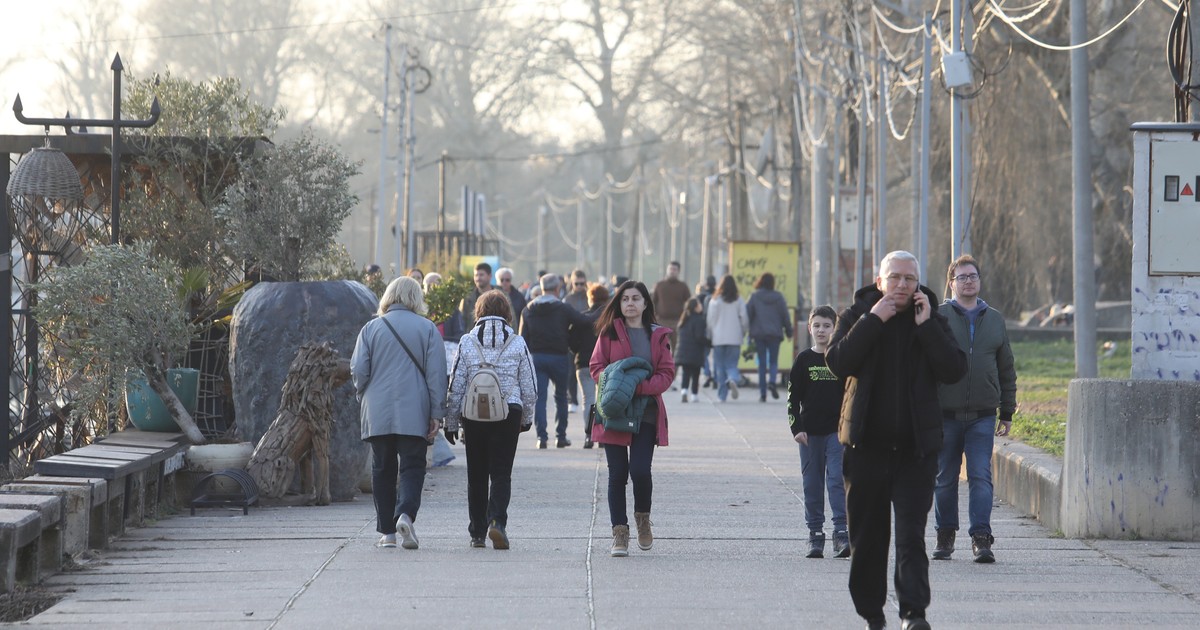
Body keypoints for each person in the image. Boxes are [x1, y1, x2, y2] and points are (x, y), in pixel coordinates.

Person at [825, 250, 967, 630]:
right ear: (880, 281)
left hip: (915, 453)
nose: (903, 285)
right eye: (896, 278)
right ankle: (872, 613)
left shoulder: (930, 318)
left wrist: (926, 328)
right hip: (865, 448)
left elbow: (954, 369)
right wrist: (874, 320)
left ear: (918, 282)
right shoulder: (857, 316)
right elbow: (838, 362)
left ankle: (913, 613)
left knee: (910, 537)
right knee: (868, 540)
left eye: (910, 278)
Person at [350, 276, 448, 550]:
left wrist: (364, 394)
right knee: (412, 466)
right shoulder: (428, 329)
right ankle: (405, 513)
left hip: (377, 410)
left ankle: (387, 533)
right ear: (416, 298)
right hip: (414, 410)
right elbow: (437, 375)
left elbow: (358, 370)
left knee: (381, 468)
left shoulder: (370, 329)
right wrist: (437, 412)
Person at [933, 255, 1017, 564]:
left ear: (979, 281)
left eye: (973, 276)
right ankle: (945, 534)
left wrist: (1006, 411)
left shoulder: (993, 318)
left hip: (983, 414)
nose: (968, 281)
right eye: (962, 277)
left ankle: (981, 538)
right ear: (951, 283)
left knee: (981, 476)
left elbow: (1006, 366)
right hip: (945, 415)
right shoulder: (937, 316)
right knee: (945, 478)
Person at [444, 290, 538, 550]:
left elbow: (457, 383)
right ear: (508, 313)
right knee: (501, 472)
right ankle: (497, 520)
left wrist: (451, 422)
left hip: (474, 413)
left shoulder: (466, 341)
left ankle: (477, 532)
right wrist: (526, 419)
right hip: (508, 411)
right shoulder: (517, 342)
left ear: (479, 312)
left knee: (476, 474)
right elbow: (529, 386)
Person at [590, 280, 675, 557]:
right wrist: (615, 385)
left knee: (640, 470)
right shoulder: (608, 333)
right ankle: (619, 532)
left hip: (647, 411)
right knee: (617, 474)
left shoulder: (658, 336)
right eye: (625, 299)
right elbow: (596, 367)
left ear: (645, 303)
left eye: (635, 298)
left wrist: (638, 387)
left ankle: (642, 518)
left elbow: (666, 373)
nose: (630, 303)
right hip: (614, 412)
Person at [788, 305, 847, 559]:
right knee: (812, 484)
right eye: (817, 325)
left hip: (837, 433)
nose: (821, 330)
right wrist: (796, 428)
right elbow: (792, 399)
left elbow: (851, 396)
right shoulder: (803, 360)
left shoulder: (841, 358)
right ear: (809, 328)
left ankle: (841, 532)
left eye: (827, 326)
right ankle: (815, 534)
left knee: (836, 480)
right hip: (810, 435)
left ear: (835, 328)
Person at [519, 273, 592, 448]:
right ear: (558, 288)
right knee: (561, 397)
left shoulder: (528, 309)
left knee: (540, 399)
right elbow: (583, 321)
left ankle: (541, 438)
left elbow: (522, 338)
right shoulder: (563, 308)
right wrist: (598, 311)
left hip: (537, 358)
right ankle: (560, 436)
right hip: (559, 357)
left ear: (542, 288)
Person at [568, 282, 609, 448]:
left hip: (584, 363)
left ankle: (589, 435)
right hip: (607, 364)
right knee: (604, 399)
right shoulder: (610, 319)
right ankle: (603, 435)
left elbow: (571, 341)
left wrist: (578, 351)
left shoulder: (581, 317)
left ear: (590, 298)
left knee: (588, 399)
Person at [746, 272, 794, 402]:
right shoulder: (778, 297)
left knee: (761, 364)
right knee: (773, 361)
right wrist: (789, 332)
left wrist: (748, 332)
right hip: (774, 334)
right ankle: (772, 382)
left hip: (759, 334)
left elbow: (747, 314)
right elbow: (785, 316)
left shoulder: (754, 296)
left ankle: (763, 394)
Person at [706, 275, 748, 402]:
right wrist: (743, 332)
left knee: (719, 367)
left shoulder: (715, 300)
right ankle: (732, 379)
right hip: (735, 338)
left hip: (718, 338)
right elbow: (744, 319)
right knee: (731, 364)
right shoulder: (738, 299)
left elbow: (710, 320)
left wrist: (710, 334)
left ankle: (722, 395)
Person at [563, 269, 590, 412]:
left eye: (582, 283)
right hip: (573, 337)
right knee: (571, 371)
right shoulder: (567, 299)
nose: (579, 286)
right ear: (571, 283)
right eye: (576, 283)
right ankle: (572, 399)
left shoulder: (589, 297)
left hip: (587, 337)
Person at [674, 296, 709, 403]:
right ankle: (694, 395)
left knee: (686, 373)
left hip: (683, 352)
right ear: (695, 307)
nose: (701, 305)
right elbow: (699, 337)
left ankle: (684, 392)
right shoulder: (699, 320)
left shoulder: (683, 320)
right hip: (695, 352)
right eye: (699, 304)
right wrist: (709, 343)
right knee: (695, 374)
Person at [651, 261, 691, 351]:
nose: (672, 271)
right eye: (670, 269)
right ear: (667, 270)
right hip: (661, 321)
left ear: (678, 271)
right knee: (661, 346)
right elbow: (653, 301)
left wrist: (685, 317)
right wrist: (654, 316)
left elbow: (689, 303)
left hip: (677, 322)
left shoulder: (683, 286)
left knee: (676, 347)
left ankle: (674, 365)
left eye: (674, 269)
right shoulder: (659, 285)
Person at [460, 262, 494, 330]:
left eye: (481, 275)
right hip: (473, 338)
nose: (478, 278)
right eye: (476, 275)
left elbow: (510, 319)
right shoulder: (467, 298)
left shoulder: (500, 296)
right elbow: (461, 321)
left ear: (490, 276)